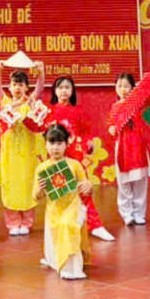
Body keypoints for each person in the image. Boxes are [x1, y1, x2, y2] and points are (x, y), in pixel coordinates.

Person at [48, 75, 114, 241]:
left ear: (72, 91)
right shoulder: (48, 111)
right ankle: (63, 227)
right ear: (55, 90)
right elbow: (37, 127)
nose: (64, 91)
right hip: (57, 159)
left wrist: (88, 144)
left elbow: (85, 133)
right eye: (60, 87)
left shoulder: (77, 111)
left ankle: (96, 226)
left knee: (84, 191)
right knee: (60, 194)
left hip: (76, 158)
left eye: (67, 87)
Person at [108, 63, 150, 226]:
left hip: (137, 147)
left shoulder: (136, 104)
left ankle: (139, 213)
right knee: (124, 183)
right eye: (119, 86)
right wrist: (111, 129)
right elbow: (111, 125)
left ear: (132, 88)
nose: (122, 89)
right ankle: (127, 214)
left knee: (140, 182)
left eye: (126, 86)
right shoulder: (114, 107)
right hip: (122, 149)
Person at [0, 59, 46, 235]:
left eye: (21, 84)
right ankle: (13, 223)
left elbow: (40, 88)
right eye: (14, 84)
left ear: (26, 87)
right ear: (9, 87)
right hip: (9, 155)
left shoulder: (30, 102)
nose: (17, 87)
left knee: (28, 185)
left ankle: (27, 223)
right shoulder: (5, 102)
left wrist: (41, 71)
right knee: (11, 186)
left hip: (27, 155)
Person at [33, 124, 93, 280]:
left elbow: (86, 188)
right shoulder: (42, 168)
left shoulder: (75, 165)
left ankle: (71, 269)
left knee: (67, 225)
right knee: (60, 225)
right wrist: (40, 188)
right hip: (53, 211)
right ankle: (56, 260)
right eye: (51, 143)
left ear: (66, 144)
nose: (55, 147)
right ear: (45, 144)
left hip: (74, 208)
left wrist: (88, 186)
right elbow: (36, 196)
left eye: (59, 143)